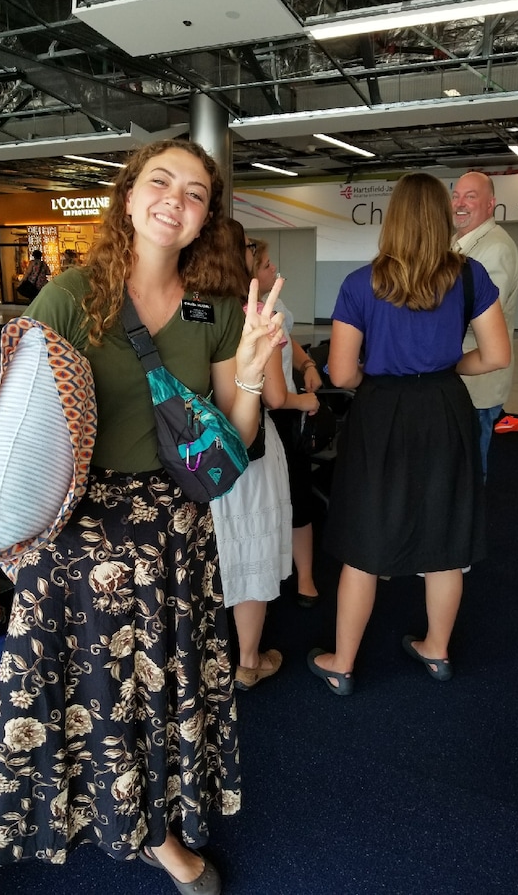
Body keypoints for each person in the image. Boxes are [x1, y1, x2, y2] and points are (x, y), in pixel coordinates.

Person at [0, 140, 285, 895]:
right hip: (76, 534)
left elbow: (232, 445)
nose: (175, 201)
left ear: (206, 216)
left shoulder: (214, 302)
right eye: (161, 182)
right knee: (31, 695)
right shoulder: (71, 297)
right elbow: (3, 441)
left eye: (195, 193)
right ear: (127, 194)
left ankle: (154, 833)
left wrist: (249, 369)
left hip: (176, 533)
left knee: (153, 698)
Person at [308, 172, 510, 695]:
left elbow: (343, 373)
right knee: (444, 533)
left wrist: (388, 369)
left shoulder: (359, 283)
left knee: (366, 536)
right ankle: (437, 651)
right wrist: (443, 367)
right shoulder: (470, 277)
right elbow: (496, 355)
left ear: (390, 218)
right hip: (445, 407)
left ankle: (343, 662)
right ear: (444, 218)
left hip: (381, 411)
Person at [210, 219, 291, 690]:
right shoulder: (253, 312)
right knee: (251, 547)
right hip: (250, 452)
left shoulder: (181, 307)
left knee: (210, 553)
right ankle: (247, 659)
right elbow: (276, 397)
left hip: (194, 455)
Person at [246, 237, 323, 608]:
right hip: (272, 418)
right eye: (265, 266)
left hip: (286, 417)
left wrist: (307, 365)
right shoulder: (247, 317)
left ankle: (304, 576)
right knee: (278, 500)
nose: (273, 269)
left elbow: (288, 345)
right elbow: (273, 397)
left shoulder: (273, 307)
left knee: (298, 499)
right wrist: (302, 400)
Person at [451, 171, 518, 477]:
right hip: (460, 377)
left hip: (477, 384)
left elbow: (477, 318)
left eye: (471, 196)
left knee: (469, 467)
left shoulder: (495, 248)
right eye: (456, 196)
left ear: (491, 204)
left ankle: (468, 522)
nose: (460, 203)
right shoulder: (460, 243)